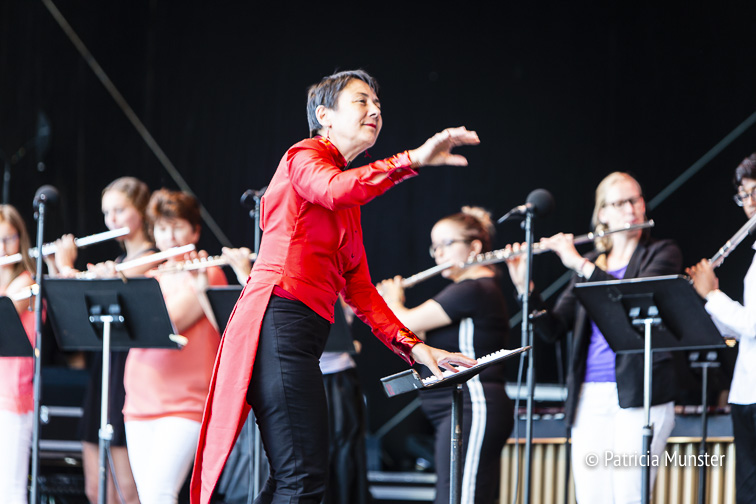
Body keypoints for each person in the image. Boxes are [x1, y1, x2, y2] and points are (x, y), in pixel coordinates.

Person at [191, 69, 481, 504]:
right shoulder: (304, 156)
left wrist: (417, 348)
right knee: (302, 479)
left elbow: (360, 290)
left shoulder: (347, 198)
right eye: (361, 100)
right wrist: (413, 159)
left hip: (300, 336)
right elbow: (333, 188)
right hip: (278, 322)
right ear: (324, 115)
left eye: (378, 103)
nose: (375, 109)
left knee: (296, 477)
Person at [505, 172, 681, 504]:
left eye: (636, 199)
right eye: (620, 202)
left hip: (640, 391)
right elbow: (554, 328)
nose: (631, 209)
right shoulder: (592, 264)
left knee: (629, 496)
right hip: (589, 394)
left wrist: (578, 263)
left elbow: (632, 303)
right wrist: (525, 288)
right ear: (602, 213)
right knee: (591, 496)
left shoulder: (662, 253)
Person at [378, 206, 514, 504]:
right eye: (435, 247)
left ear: (474, 248)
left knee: (460, 499)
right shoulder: (466, 289)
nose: (438, 254)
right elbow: (417, 338)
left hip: (474, 405)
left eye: (447, 244)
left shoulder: (475, 288)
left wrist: (392, 299)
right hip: (457, 409)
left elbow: (405, 324)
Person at [53, 176, 154, 504]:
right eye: (107, 213)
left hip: (130, 372)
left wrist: (67, 268)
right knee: (96, 489)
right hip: (105, 368)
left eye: (119, 210)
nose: (111, 220)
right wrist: (60, 271)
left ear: (141, 211)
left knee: (127, 490)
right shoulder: (118, 263)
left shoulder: (152, 258)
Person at [123, 188, 226, 503]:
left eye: (178, 227)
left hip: (185, 403)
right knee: (148, 496)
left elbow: (169, 321)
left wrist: (124, 278)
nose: (170, 237)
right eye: (162, 228)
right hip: (139, 402)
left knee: (160, 493)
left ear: (195, 231)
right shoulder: (150, 276)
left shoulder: (208, 272)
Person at [687, 153, 756, 504]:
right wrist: (709, 295)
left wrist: (712, 295)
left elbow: (753, 324)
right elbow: (741, 331)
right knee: (747, 491)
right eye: (744, 196)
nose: (750, 203)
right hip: (746, 390)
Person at [0, 205, 37, 503]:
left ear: (19, 239)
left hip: (12, 393)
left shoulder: (27, 280)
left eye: (8, 239)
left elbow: (6, 312)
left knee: (10, 489)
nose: (2, 247)